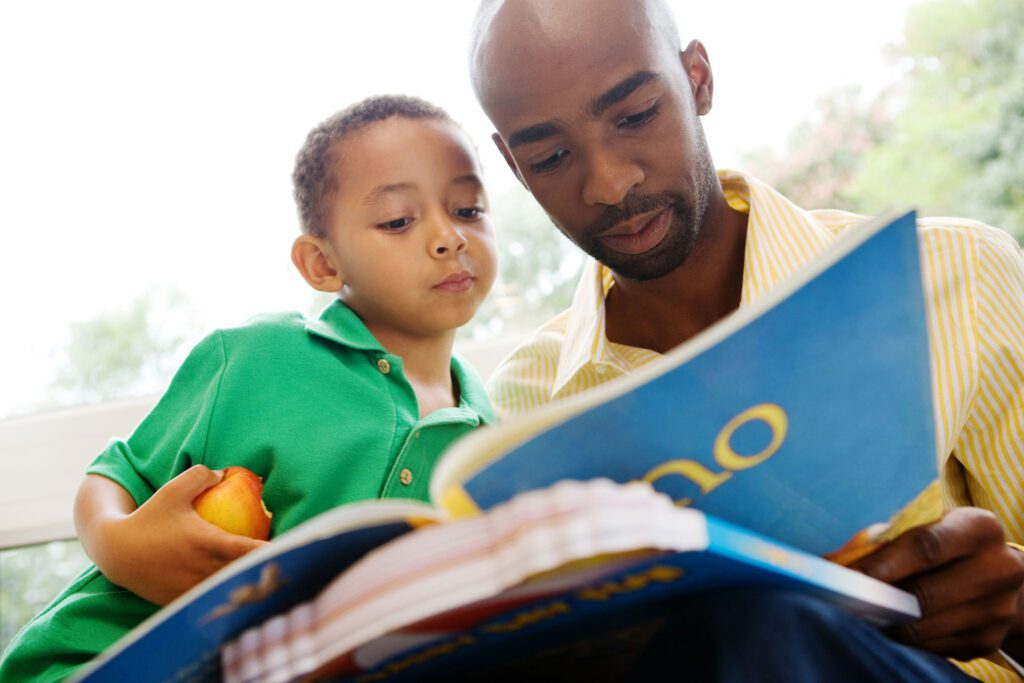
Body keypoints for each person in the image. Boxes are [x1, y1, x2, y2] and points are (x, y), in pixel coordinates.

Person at [469, 1, 1024, 681]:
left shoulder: (956, 273)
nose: (610, 183)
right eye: (551, 156)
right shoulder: (528, 405)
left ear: (697, 79)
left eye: (637, 114)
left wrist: (1009, 603)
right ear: (514, 166)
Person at [0, 94, 499, 682]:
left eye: (468, 210)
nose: (449, 238)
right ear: (322, 265)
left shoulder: (489, 442)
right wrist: (120, 546)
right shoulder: (257, 357)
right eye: (398, 220)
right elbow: (114, 477)